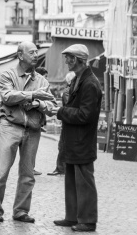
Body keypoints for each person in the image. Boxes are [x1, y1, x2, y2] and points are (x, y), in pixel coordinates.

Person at [0, 41, 57, 223]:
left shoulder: (42, 81)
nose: (36, 55)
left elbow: (51, 106)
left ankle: (21, 211)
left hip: (33, 129)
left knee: (27, 175)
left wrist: (37, 104)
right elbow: (7, 96)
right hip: (10, 126)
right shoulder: (8, 75)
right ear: (20, 55)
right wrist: (33, 95)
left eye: (36, 52)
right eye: (32, 52)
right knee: (1, 172)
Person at [52, 44, 102, 232]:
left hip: (82, 141)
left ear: (77, 59)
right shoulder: (79, 79)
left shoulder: (89, 83)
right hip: (74, 140)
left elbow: (85, 115)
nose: (66, 61)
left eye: (68, 58)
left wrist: (60, 111)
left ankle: (88, 221)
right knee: (72, 180)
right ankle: (72, 216)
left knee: (84, 183)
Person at [47, 71, 76, 176]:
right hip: (74, 122)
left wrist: (60, 111)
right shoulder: (79, 90)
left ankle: (60, 168)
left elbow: (69, 107)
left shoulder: (68, 91)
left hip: (68, 122)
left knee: (62, 146)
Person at [33, 67, 50, 176]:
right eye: (45, 76)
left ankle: (29, 167)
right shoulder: (38, 87)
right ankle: (30, 168)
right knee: (32, 147)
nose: (46, 79)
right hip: (34, 121)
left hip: (37, 120)